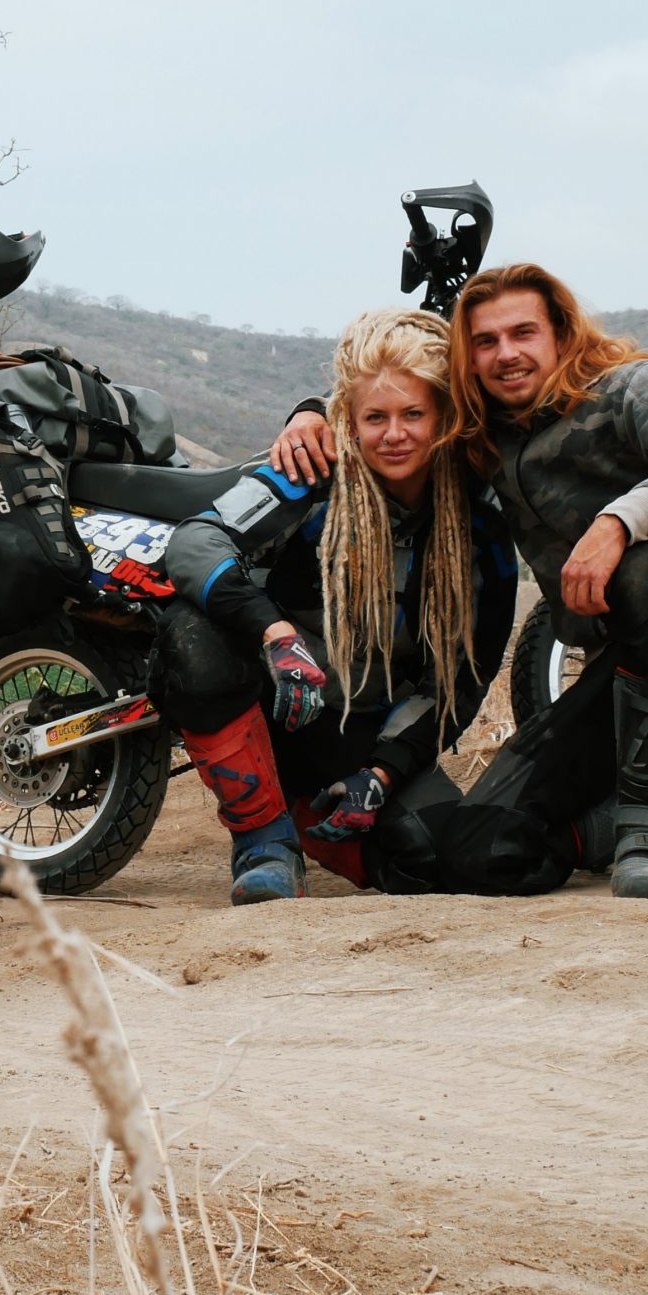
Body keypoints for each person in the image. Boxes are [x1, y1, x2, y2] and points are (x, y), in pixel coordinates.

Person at [275, 265, 648, 900]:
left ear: (561, 333)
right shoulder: (480, 428)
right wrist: (311, 414)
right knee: (475, 853)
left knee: (641, 563)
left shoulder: (628, 388)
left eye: (523, 333)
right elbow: (390, 392)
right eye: (485, 342)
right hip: (620, 673)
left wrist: (620, 522)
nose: (506, 353)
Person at [158, 308, 519, 903]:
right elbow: (197, 539)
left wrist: (380, 774)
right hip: (270, 705)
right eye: (375, 417)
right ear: (348, 423)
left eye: (413, 415)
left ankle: (309, 816)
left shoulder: (479, 528)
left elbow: (460, 678)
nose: (393, 434)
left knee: (436, 859)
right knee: (191, 636)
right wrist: (273, 630)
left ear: (445, 419)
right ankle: (263, 843)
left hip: (357, 733)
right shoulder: (309, 475)